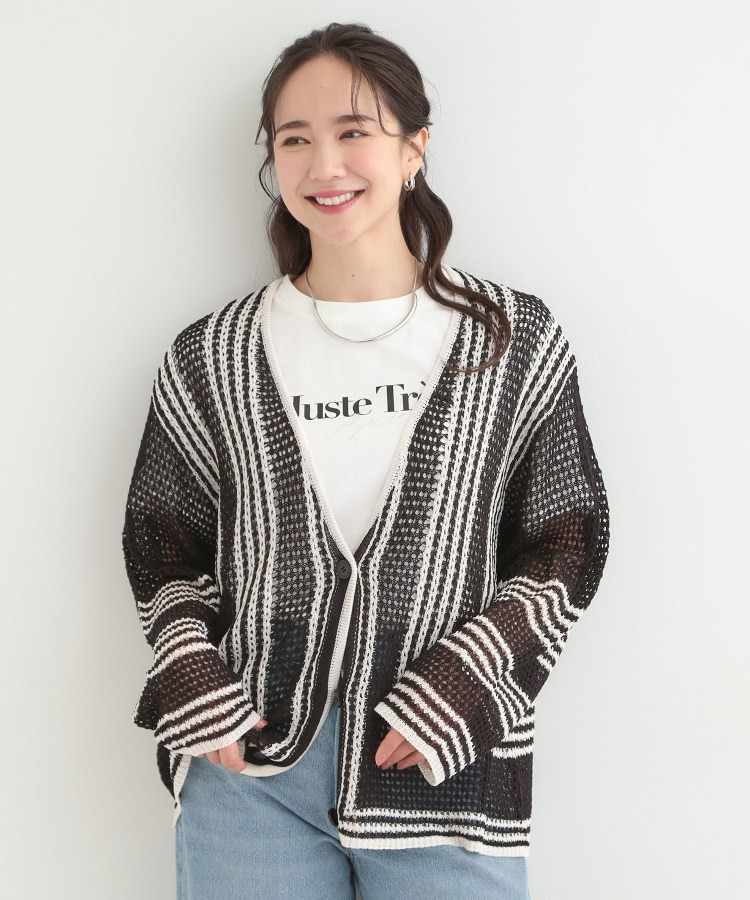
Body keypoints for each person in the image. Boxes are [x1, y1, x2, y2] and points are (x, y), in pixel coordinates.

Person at [122, 21, 609, 900]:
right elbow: (160, 544)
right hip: (249, 768)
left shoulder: (510, 341)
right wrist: (194, 672)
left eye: (354, 132)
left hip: (443, 764)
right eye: (294, 140)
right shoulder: (213, 356)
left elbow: (569, 542)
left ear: (415, 147)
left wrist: (465, 680)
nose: (324, 165)